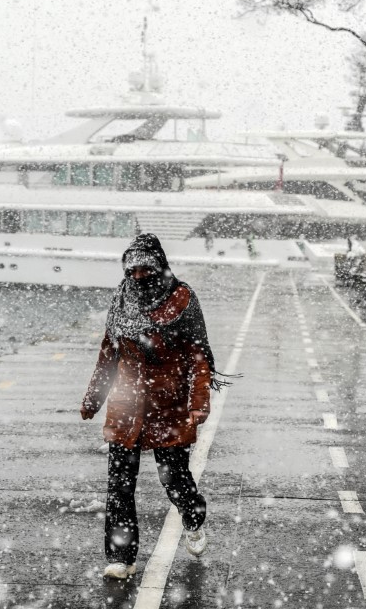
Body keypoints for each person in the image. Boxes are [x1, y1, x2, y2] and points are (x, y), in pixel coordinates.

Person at [80, 233, 226, 580]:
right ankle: (121, 557)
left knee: (175, 479)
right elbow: (108, 354)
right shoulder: (120, 300)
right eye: (131, 271)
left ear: (159, 266)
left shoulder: (182, 300)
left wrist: (198, 403)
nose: (138, 277)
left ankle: (193, 518)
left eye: (145, 270)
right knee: (119, 486)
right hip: (125, 404)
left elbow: (199, 357)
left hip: (169, 405)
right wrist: (94, 397)